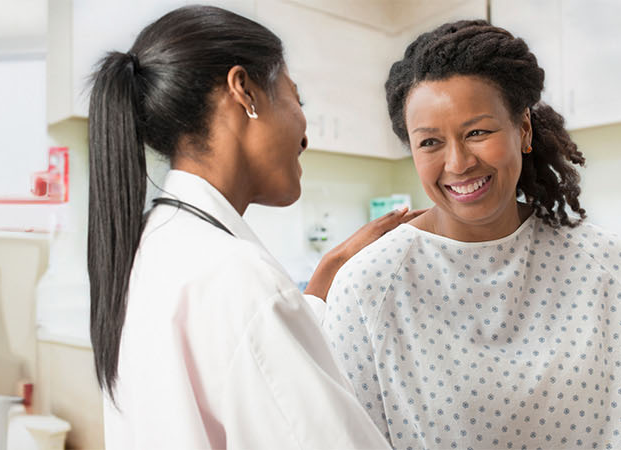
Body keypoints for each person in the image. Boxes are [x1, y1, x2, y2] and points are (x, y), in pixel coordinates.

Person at [322, 20, 621, 449]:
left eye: (477, 132)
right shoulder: (367, 285)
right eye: (430, 142)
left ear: (523, 129)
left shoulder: (606, 264)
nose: (458, 162)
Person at [86, 5, 414, 448]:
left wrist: (322, 279)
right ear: (244, 91)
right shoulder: (235, 276)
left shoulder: (152, 246)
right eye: (297, 99)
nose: (305, 134)